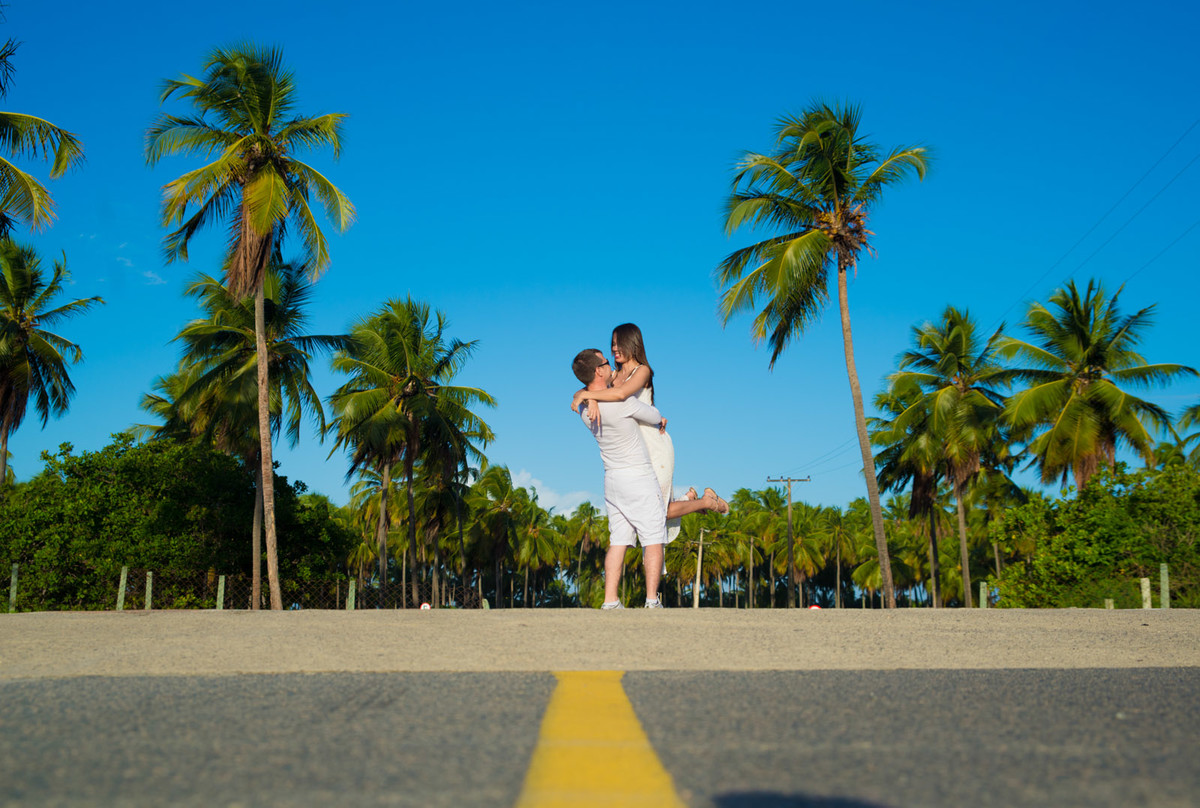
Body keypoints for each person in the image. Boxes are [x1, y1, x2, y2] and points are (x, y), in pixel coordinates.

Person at [571, 323, 729, 539]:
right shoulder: (613, 375)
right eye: (613, 343)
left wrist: (589, 396)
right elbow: (586, 386)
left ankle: (705, 502)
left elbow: (621, 394)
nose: (614, 348)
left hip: (653, 442)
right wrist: (589, 397)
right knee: (651, 511)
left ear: (632, 343)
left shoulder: (642, 371)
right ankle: (691, 500)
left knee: (658, 512)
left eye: (619, 343)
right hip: (631, 448)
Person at [572, 347, 672, 609]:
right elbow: (654, 416)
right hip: (638, 476)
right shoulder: (622, 402)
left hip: (612, 480)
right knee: (653, 537)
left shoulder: (584, 409)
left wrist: (589, 396)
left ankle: (610, 601)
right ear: (599, 371)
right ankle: (651, 600)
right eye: (606, 362)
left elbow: (584, 394)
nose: (611, 366)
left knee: (618, 541)